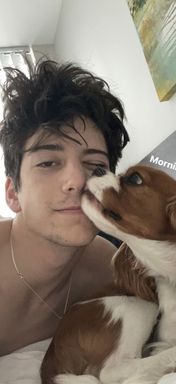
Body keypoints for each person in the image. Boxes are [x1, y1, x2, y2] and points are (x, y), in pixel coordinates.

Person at [0, 59, 129, 356]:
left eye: (96, 167)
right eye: (48, 163)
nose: (76, 180)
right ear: (13, 194)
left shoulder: (106, 269)